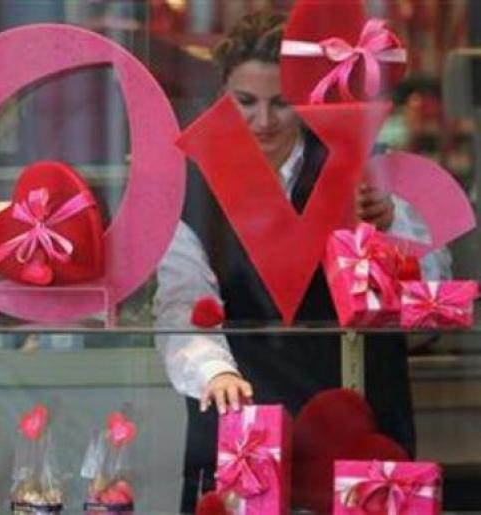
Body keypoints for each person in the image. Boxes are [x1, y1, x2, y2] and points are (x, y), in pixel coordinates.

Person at [152, 11, 451, 513]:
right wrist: (214, 374)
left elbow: (432, 299)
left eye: (281, 104)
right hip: (244, 433)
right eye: (245, 102)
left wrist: (390, 224)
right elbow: (183, 301)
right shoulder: (191, 189)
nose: (263, 121)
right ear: (222, 96)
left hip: (361, 425)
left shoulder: (364, 166)